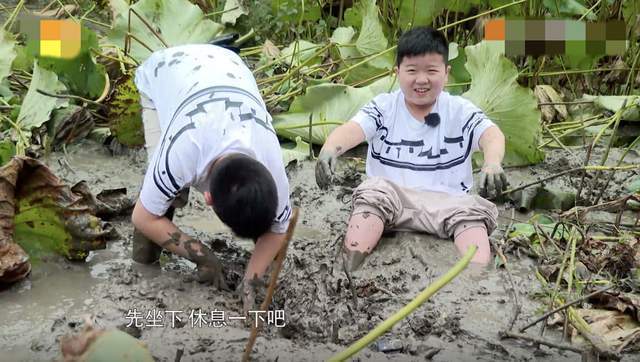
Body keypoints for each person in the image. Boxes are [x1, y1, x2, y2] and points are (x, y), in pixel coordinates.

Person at [315, 27, 508, 270]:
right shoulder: (383, 107)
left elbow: (491, 135)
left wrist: (492, 162)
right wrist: (331, 148)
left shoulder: (460, 110)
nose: (421, 79)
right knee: (372, 194)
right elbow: (352, 129)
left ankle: (475, 282)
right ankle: (348, 272)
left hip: (449, 203)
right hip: (390, 199)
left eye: (431, 70)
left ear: (446, 74)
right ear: (397, 73)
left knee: (473, 217)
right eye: (412, 70)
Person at [130, 43, 292, 312]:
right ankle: (143, 265)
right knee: (164, 199)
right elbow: (142, 216)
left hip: (227, 63)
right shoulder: (178, 155)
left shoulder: (272, 163)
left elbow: (278, 230)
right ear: (207, 198)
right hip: (165, 71)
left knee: (258, 218)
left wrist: (251, 280)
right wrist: (202, 256)